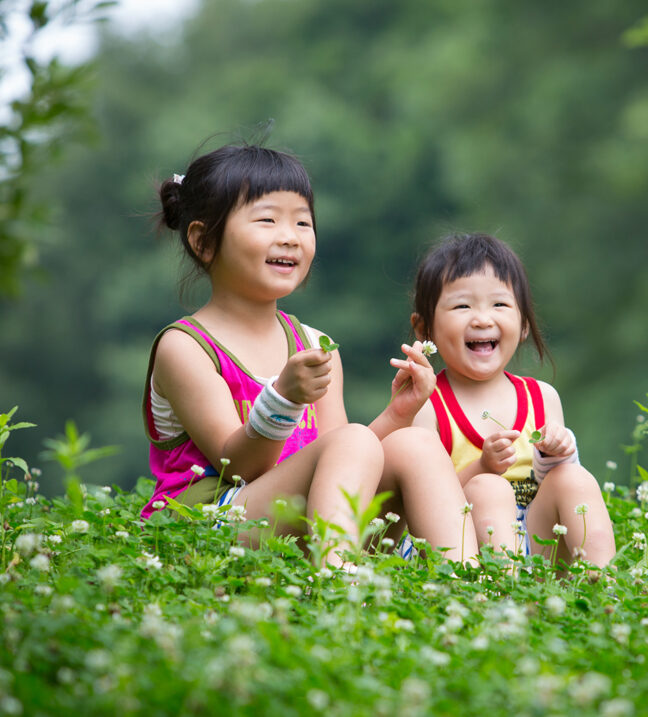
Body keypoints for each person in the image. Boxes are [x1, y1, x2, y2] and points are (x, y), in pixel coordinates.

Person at [142, 143, 478, 566]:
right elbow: (238, 466)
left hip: (299, 527)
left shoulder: (315, 345)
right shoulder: (186, 347)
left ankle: (468, 586)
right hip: (208, 530)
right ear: (203, 241)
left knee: (415, 444)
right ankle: (338, 588)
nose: (290, 236)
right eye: (267, 219)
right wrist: (283, 398)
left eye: (302, 222)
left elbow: (343, 459)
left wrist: (398, 414)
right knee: (353, 441)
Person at [409, 232, 616, 567]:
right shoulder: (428, 405)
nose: (482, 318)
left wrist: (559, 455)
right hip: (459, 550)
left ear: (523, 324)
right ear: (424, 329)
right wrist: (482, 468)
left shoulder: (542, 398)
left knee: (574, 478)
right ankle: (501, 601)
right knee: (490, 489)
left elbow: (553, 485)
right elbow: (426, 502)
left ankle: (607, 588)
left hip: (536, 542)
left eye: (500, 304)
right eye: (463, 305)